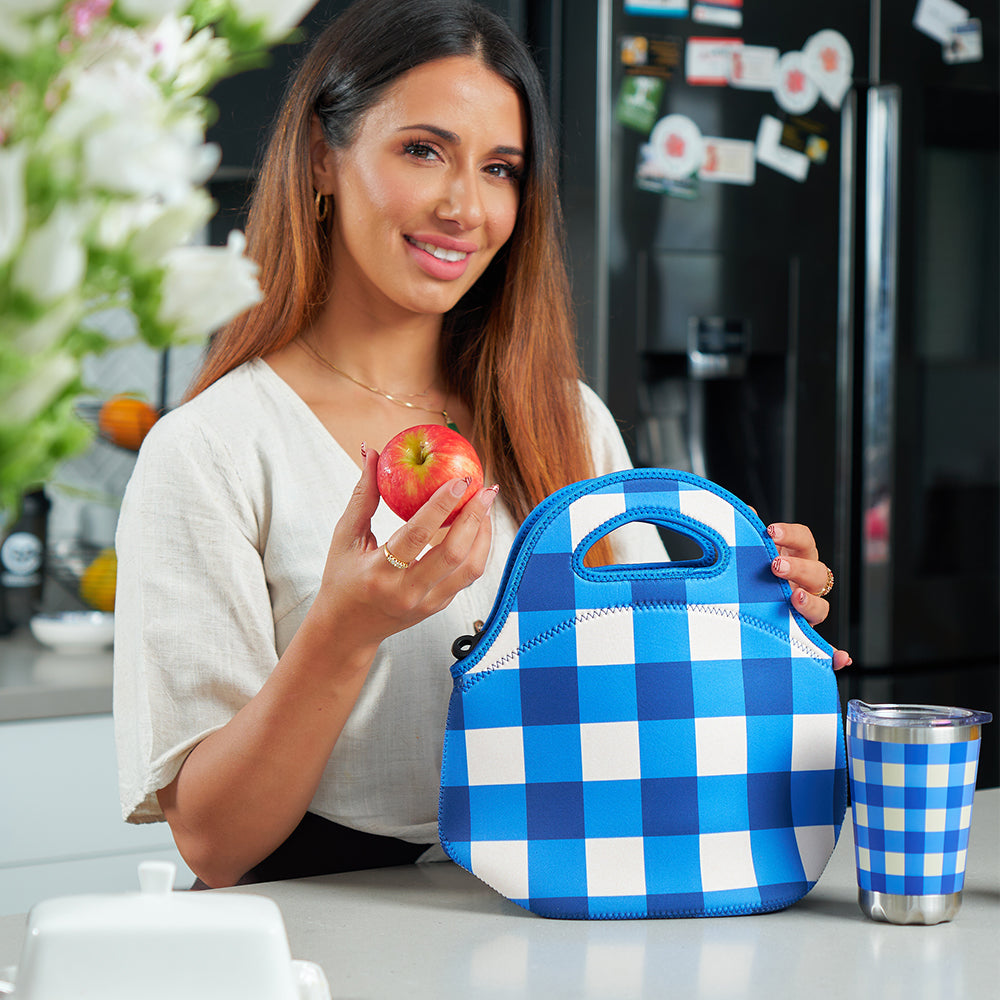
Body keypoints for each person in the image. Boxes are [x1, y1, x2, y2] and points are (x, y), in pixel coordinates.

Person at [113, 0, 850, 890]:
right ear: (319, 157)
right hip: (323, 925)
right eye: (423, 150)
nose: (465, 206)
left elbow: (650, 694)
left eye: (500, 169)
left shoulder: (565, 418)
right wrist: (345, 632)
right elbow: (214, 843)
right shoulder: (212, 450)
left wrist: (747, 623)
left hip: (560, 898)